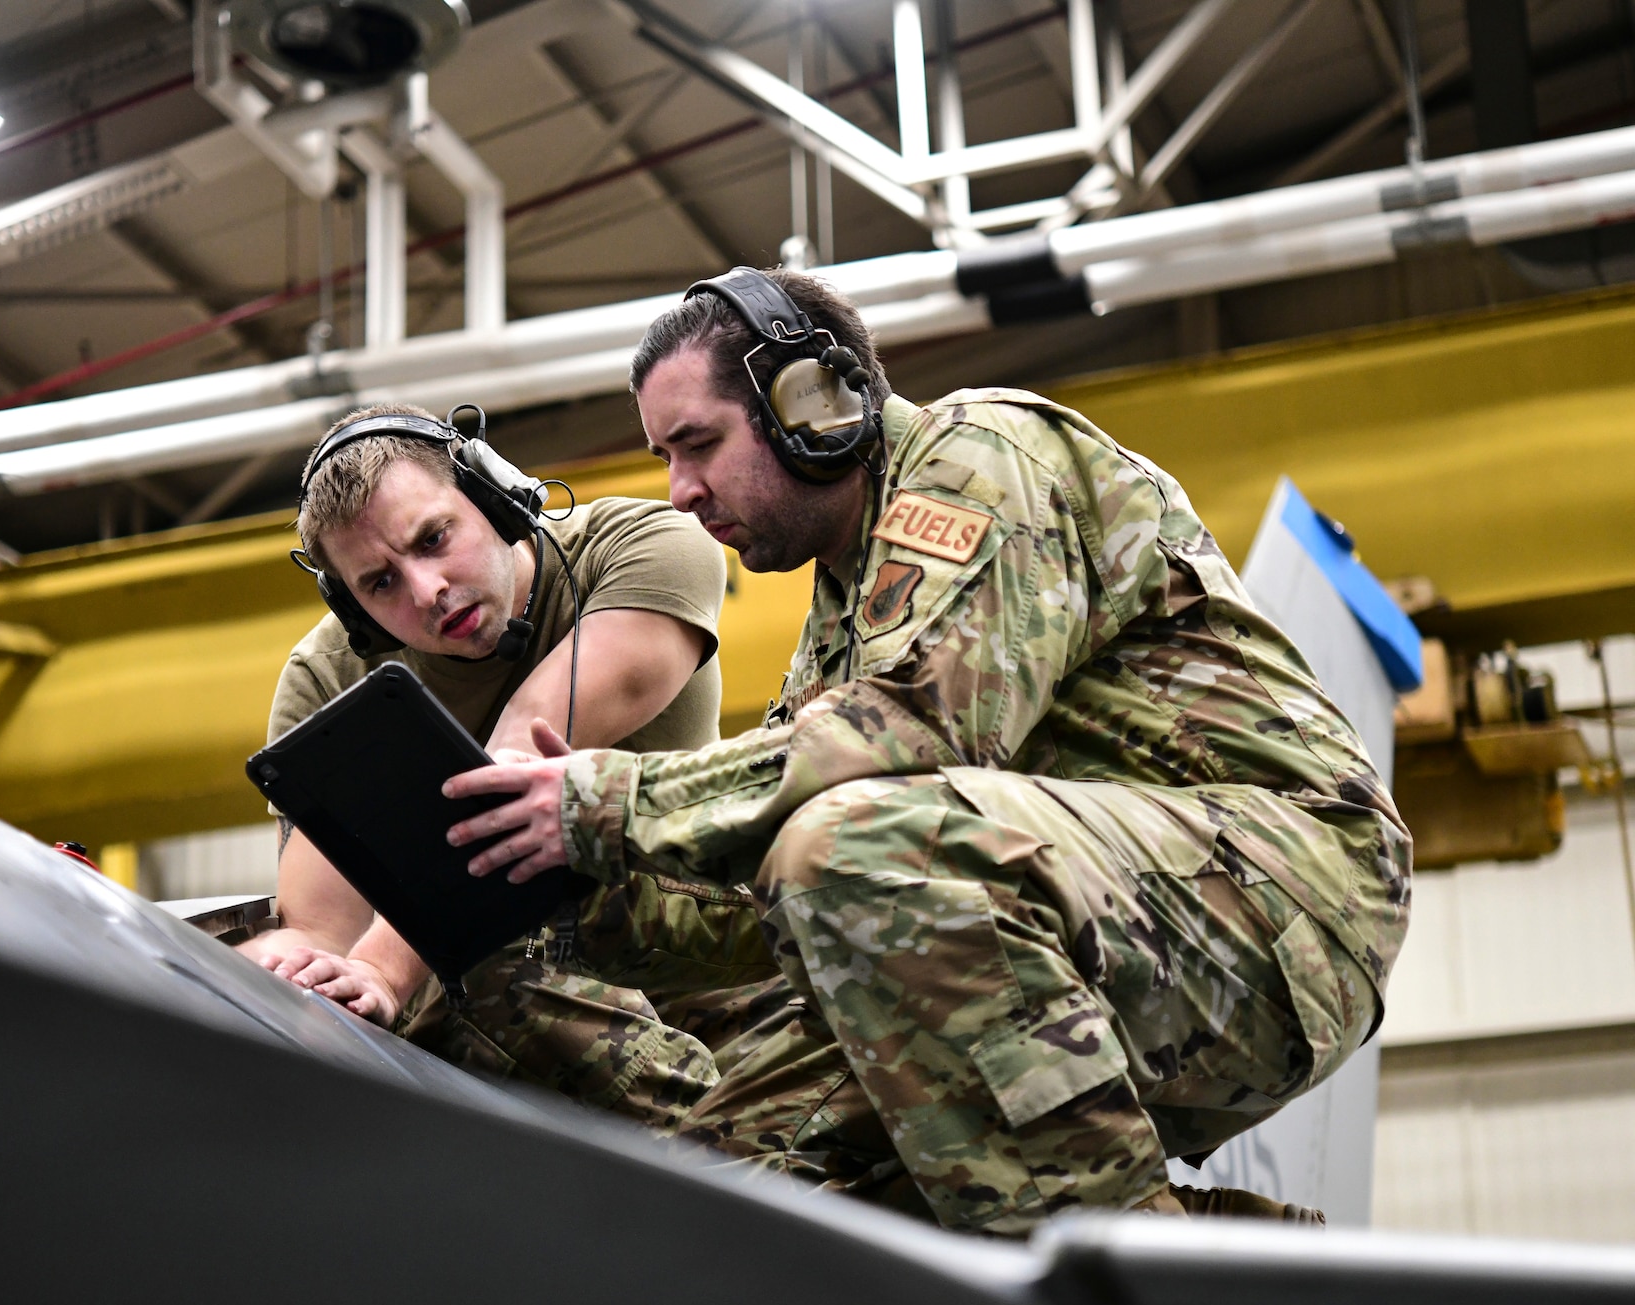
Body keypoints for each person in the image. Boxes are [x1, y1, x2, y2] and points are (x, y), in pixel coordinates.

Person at [440, 267, 1412, 1236]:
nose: (679, 491)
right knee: (730, 1174)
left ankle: (1139, 1282)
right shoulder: (842, 618)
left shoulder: (981, 452)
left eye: (697, 445)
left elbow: (920, 737)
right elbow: (752, 904)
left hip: (1279, 901)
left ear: (810, 404)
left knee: (848, 844)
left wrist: (603, 803)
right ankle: (1228, 1259)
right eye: (663, 458)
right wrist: (552, 896)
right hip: (1099, 923)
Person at [238, 403, 786, 1131]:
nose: (427, 591)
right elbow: (324, 929)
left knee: (488, 934)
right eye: (379, 584)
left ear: (492, 496)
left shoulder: (645, 546)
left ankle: (727, 1161)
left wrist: (383, 970)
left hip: (702, 938)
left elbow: (510, 771)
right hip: (530, 993)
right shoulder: (325, 679)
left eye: (435, 538)